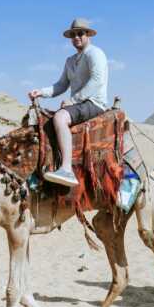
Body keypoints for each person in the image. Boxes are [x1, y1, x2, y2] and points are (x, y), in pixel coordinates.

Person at [28, 18, 109, 187]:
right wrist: (41, 92)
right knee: (45, 121)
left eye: (80, 33)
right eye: (73, 34)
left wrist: (73, 100)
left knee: (60, 118)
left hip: (94, 102)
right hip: (79, 104)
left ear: (88, 35)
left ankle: (67, 169)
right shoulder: (70, 61)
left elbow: (97, 81)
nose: (76, 37)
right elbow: (61, 85)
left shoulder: (95, 54)